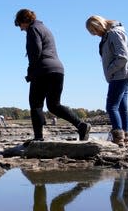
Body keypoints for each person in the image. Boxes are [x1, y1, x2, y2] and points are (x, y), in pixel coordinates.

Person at [14, 9, 91, 143]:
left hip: (43, 70)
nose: (21, 29)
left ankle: (38, 138)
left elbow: (35, 52)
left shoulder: (33, 29)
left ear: (24, 21)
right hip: (58, 69)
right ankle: (81, 125)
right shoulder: (45, 28)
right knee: (54, 105)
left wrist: (31, 71)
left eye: (20, 25)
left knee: (36, 104)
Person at [86, 15, 128, 147]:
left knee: (111, 106)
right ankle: (125, 137)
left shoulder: (114, 33)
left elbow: (122, 57)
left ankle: (118, 138)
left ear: (98, 25)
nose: (94, 35)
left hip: (120, 74)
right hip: (124, 73)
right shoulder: (111, 34)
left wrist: (110, 71)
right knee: (122, 107)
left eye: (94, 31)